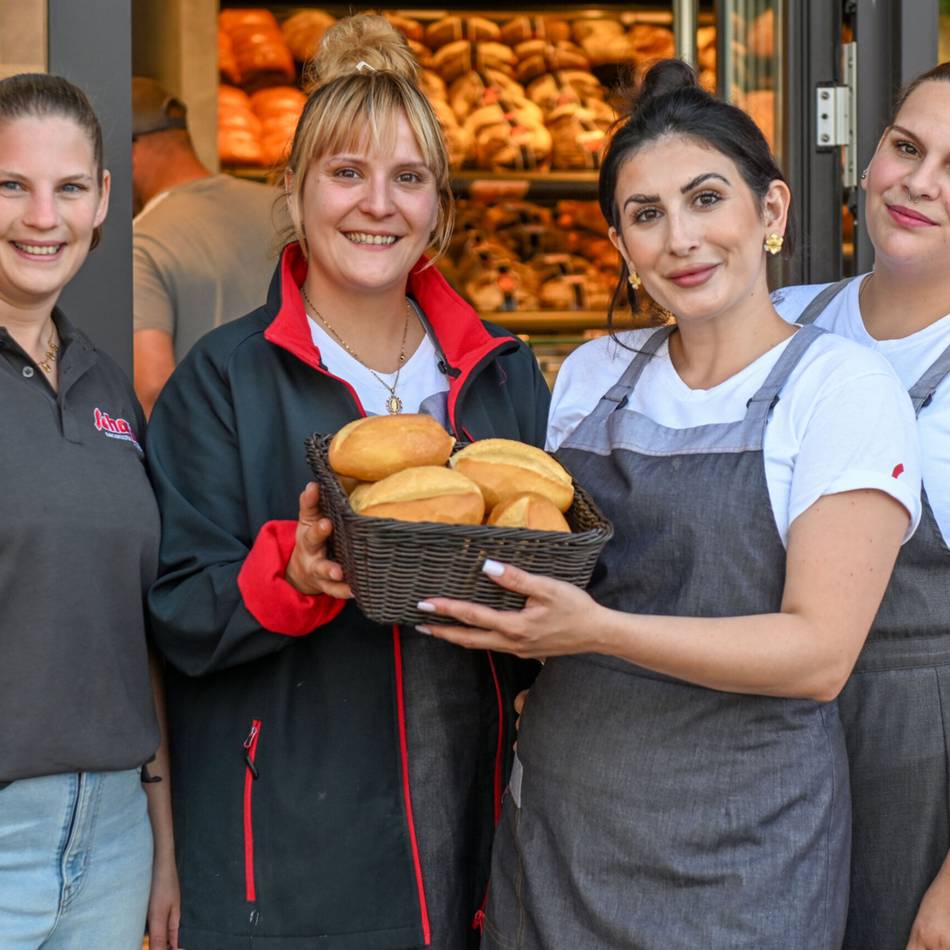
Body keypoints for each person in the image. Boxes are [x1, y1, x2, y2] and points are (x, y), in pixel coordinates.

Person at [415, 60, 922, 949]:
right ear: (620, 245)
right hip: (562, 831)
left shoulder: (842, 389)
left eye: (705, 199)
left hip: (742, 852)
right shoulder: (591, 376)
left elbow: (818, 654)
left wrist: (596, 631)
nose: (680, 238)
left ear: (770, 212)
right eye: (646, 216)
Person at [145, 15, 548, 950]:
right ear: (291, 190)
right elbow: (175, 609)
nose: (379, 205)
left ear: (439, 207)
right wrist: (291, 575)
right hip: (283, 834)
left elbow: (540, 596)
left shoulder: (499, 374)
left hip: (472, 817)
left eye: (408, 178)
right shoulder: (224, 378)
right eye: (346, 173)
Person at [772, 61, 950, 950]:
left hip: (910, 761)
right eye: (907, 147)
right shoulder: (783, 320)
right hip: (765, 741)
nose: (920, 183)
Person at [0, 74, 179, 949]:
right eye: (10, 185)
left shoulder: (109, 386)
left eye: (69, 187)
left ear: (104, 200)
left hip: (112, 839)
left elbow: (130, 626)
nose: (42, 217)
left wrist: (162, 840)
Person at [131, 76, 282, 416]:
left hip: (217, 448)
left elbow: (153, 390)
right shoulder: (282, 207)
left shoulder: (143, 239)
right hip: (307, 443)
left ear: (133, 149)